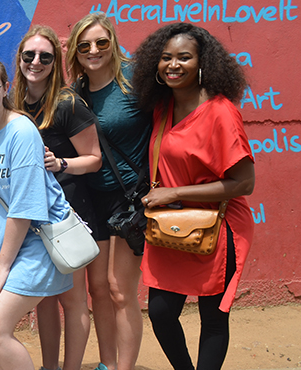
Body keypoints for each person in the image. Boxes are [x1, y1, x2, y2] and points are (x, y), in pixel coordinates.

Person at [131, 23, 254, 370]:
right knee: (160, 313)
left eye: (184, 57)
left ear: (202, 63)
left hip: (217, 228)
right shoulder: (161, 107)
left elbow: (244, 183)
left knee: (212, 318)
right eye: (166, 57)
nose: (173, 64)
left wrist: (175, 192)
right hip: (169, 226)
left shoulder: (220, 111)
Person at [0, 56, 74, 370]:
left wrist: (3, 267)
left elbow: (25, 207)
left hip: (33, 247)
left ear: (5, 87)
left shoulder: (22, 131)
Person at [12, 26, 102, 370]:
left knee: (74, 299)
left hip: (68, 215)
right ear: (19, 58)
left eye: (45, 57)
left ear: (56, 62)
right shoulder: (14, 102)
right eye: (29, 55)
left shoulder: (68, 104)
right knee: (45, 300)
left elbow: (93, 159)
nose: (36, 62)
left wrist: (60, 162)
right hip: (33, 215)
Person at [67, 12, 151, 370]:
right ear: (75, 52)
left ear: (113, 43)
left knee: (120, 289)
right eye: (84, 45)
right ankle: (106, 364)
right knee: (97, 288)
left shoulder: (136, 80)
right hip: (92, 199)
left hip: (130, 198)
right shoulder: (76, 93)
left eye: (102, 42)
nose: (94, 50)